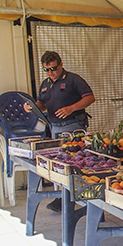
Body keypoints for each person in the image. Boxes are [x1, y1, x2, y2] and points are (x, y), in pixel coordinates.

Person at [25, 51, 95, 211]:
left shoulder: (73, 79)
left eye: (53, 68)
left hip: (73, 126)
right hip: (54, 127)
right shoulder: (45, 84)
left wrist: (71, 108)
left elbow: (90, 97)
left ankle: (80, 193)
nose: (50, 72)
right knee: (58, 162)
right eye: (46, 70)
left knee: (75, 161)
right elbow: (42, 104)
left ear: (61, 65)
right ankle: (61, 197)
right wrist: (32, 107)